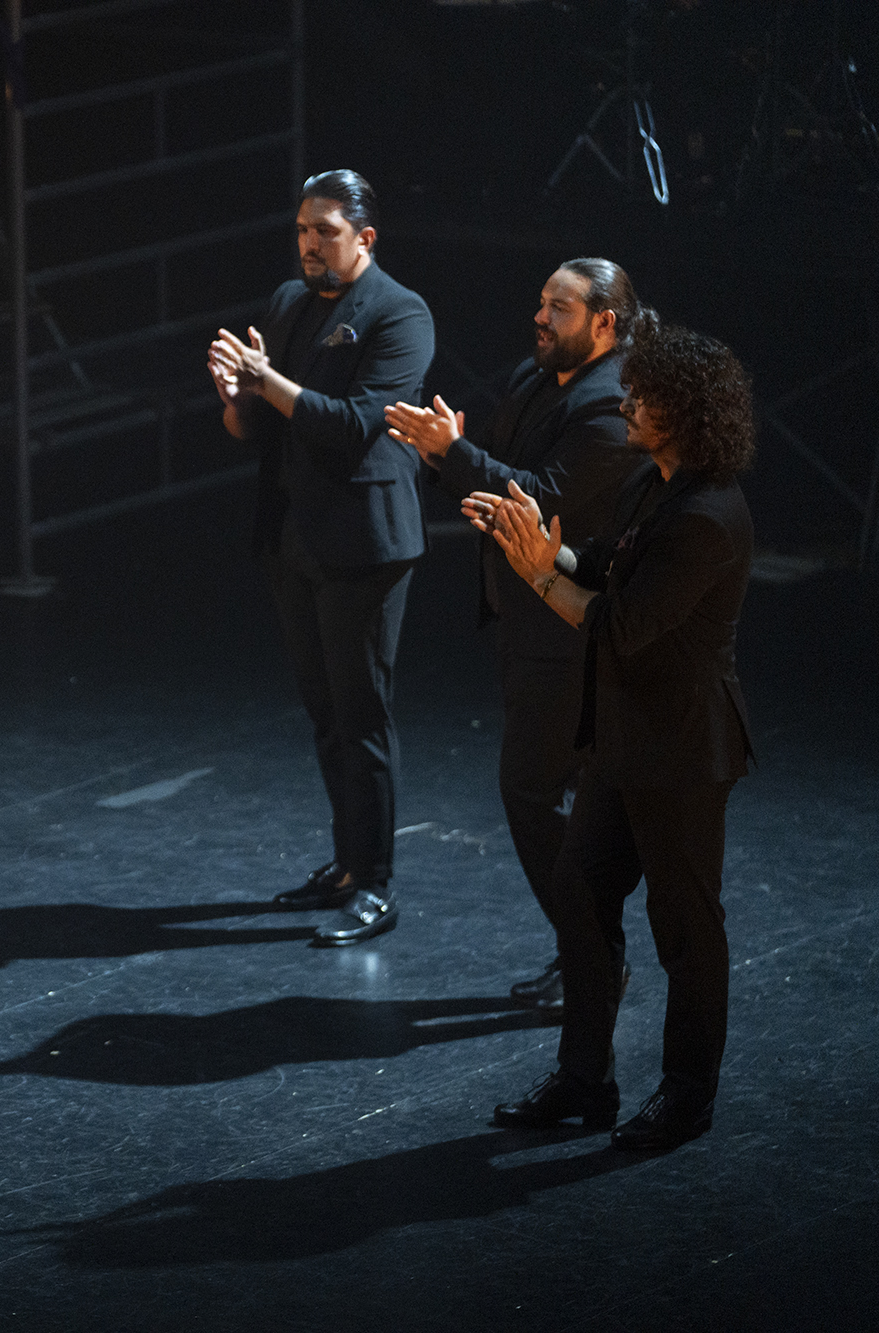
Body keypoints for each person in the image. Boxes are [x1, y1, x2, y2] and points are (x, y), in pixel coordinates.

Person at [476, 326, 755, 1150]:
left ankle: (688, 1093)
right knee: (581, 889)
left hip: (681, 748)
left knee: (685, 925)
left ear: (686, 414)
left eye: (644, 396)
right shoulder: (656, 485)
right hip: (625, 740)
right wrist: (546, 542)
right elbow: (599, 562)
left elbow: (618, 625)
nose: (627, 403)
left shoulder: (707, 516)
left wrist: (536, 573)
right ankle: (584, 1078)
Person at [383, 259, 649, 1007]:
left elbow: (541, 499)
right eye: (539, 302)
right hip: (523, 617)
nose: (539, 317)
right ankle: (588, 955)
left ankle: (593, 956)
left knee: (531, 792)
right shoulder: (535, 380)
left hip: (568, 629)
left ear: (604, 323)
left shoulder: (612, 407)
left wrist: (450, 452)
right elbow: (497, 470)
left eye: (557, 308)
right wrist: (448, 457)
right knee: (546, 793)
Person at [207, 169, 436, 945]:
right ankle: (346, 864)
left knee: (362, 713)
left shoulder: (401, 314)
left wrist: (267, 379)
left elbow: (351, 426)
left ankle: (375, 884)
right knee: (324, 712)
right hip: (294, 537)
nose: (310, 243)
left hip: (364, 544)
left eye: (326, 230)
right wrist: (237, 395)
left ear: (364, 238)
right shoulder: (287, 302)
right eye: (303, 229)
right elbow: (257, 431)